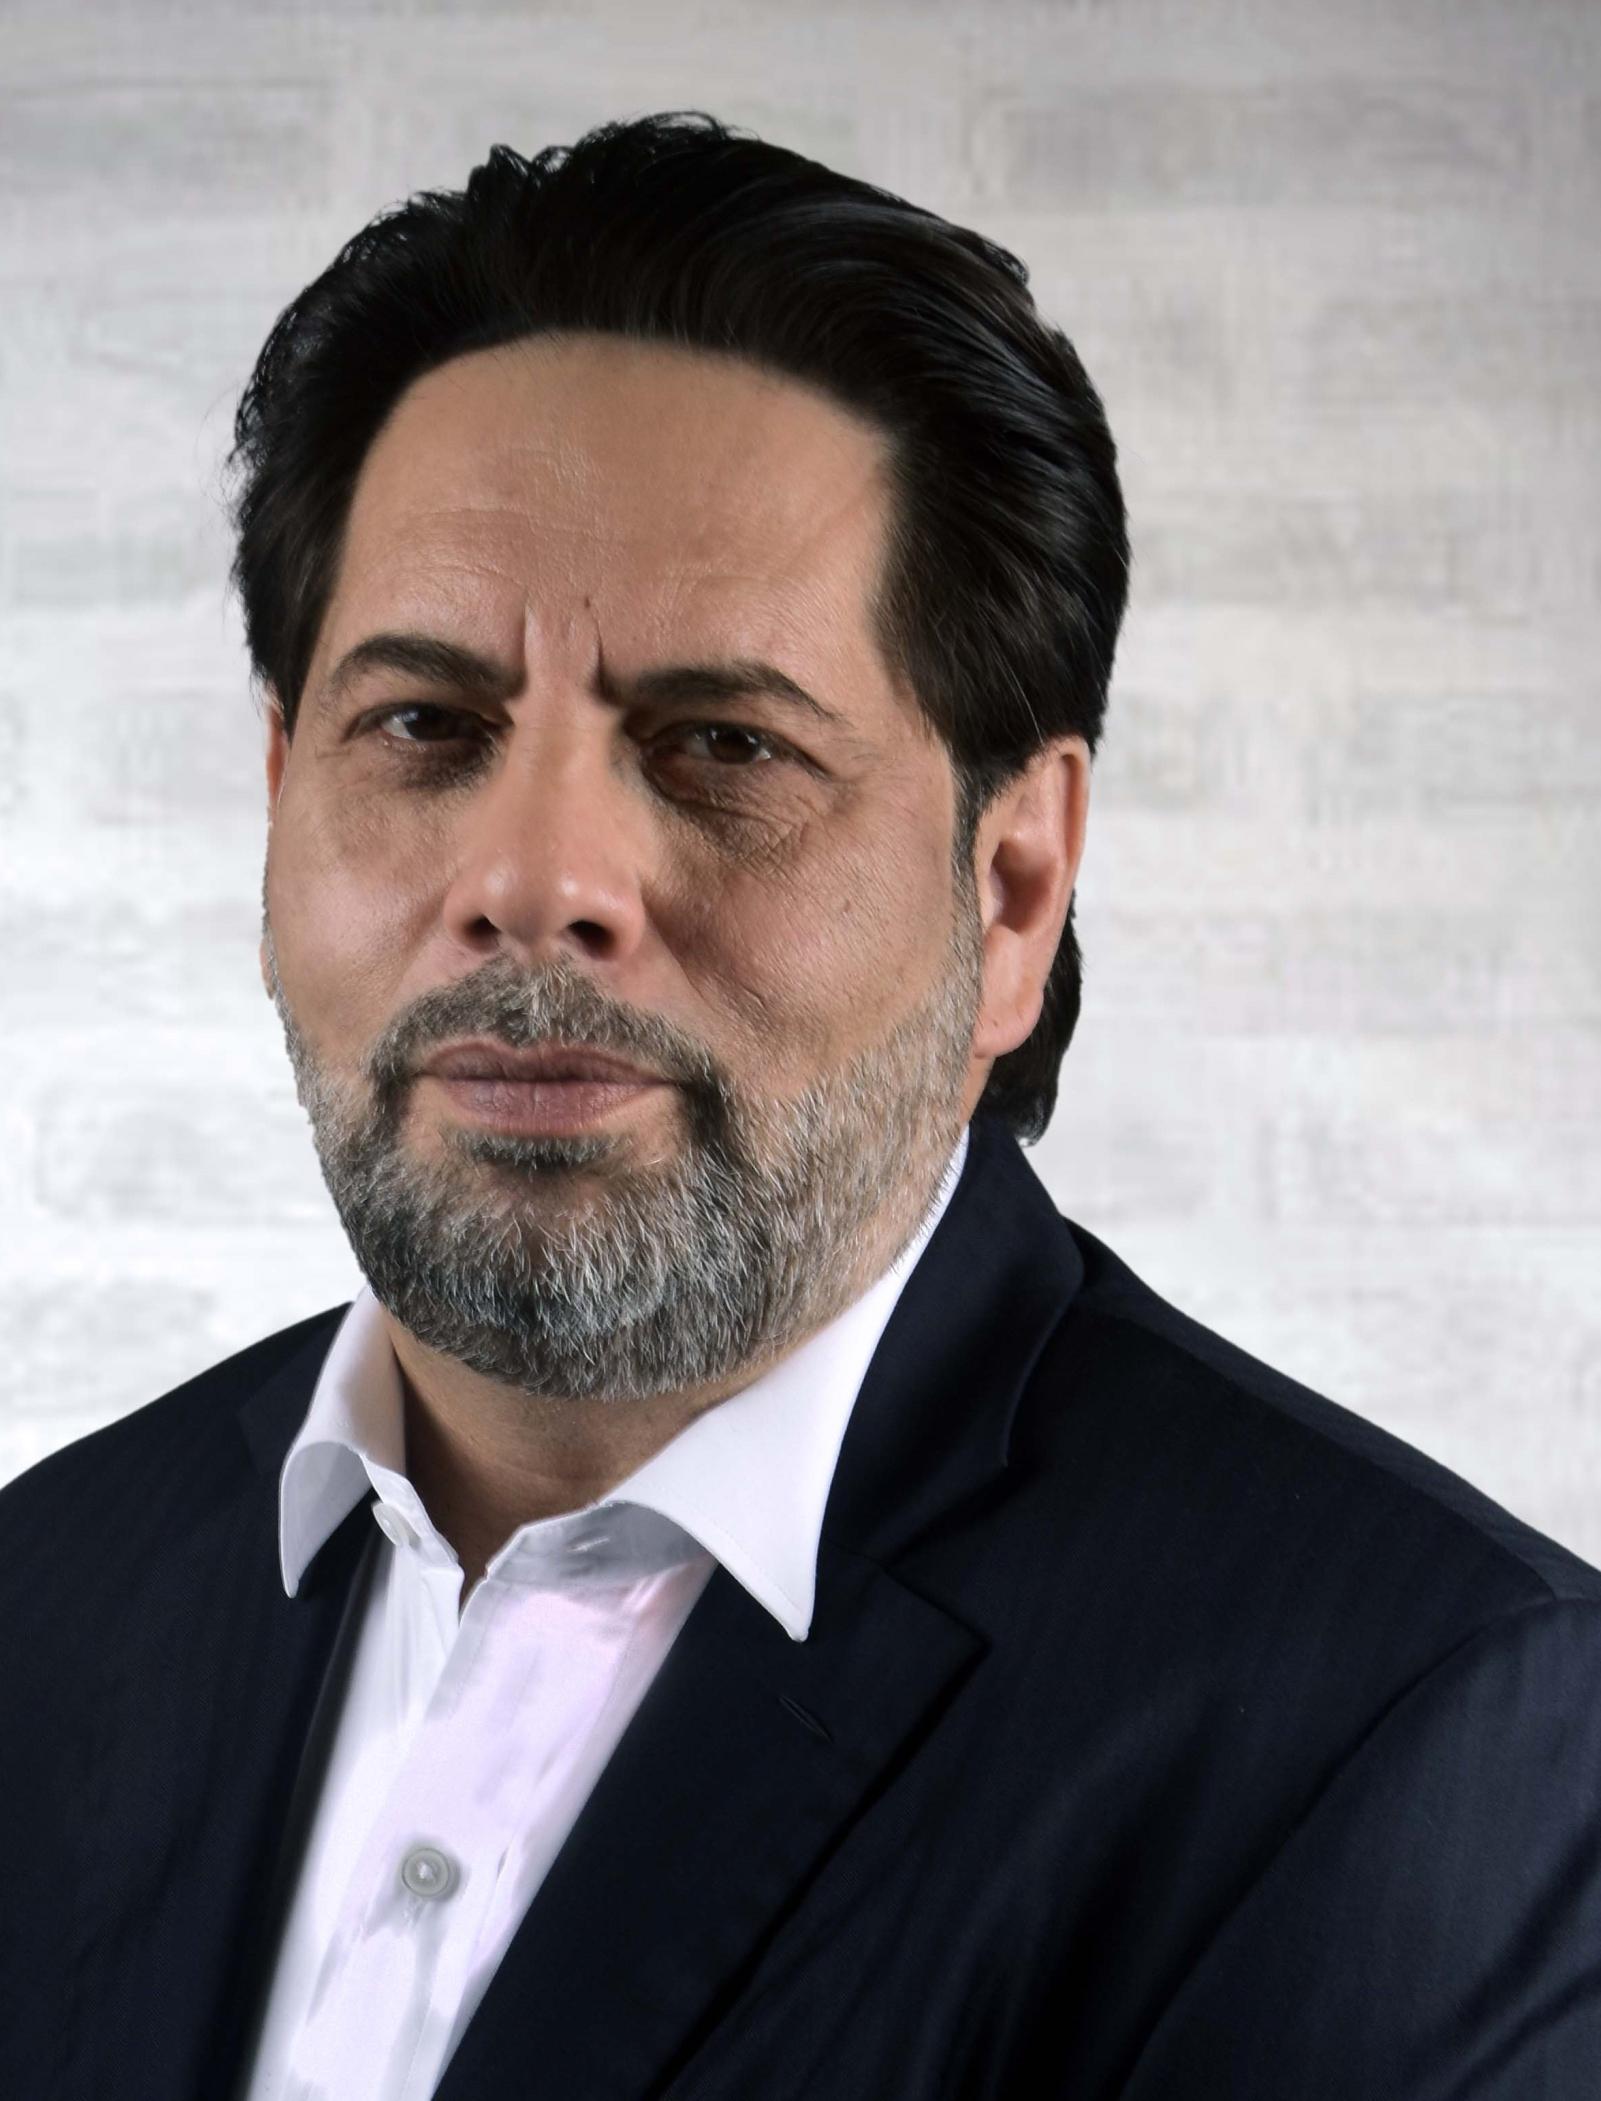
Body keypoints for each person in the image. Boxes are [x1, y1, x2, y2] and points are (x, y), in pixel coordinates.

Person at [4, 110, 1599, 2101]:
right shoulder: (46, 1597)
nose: (533, 877)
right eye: (423, 724)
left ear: (1011, 889)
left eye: (720, 746)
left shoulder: (1409, 1738)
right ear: (275, 803)